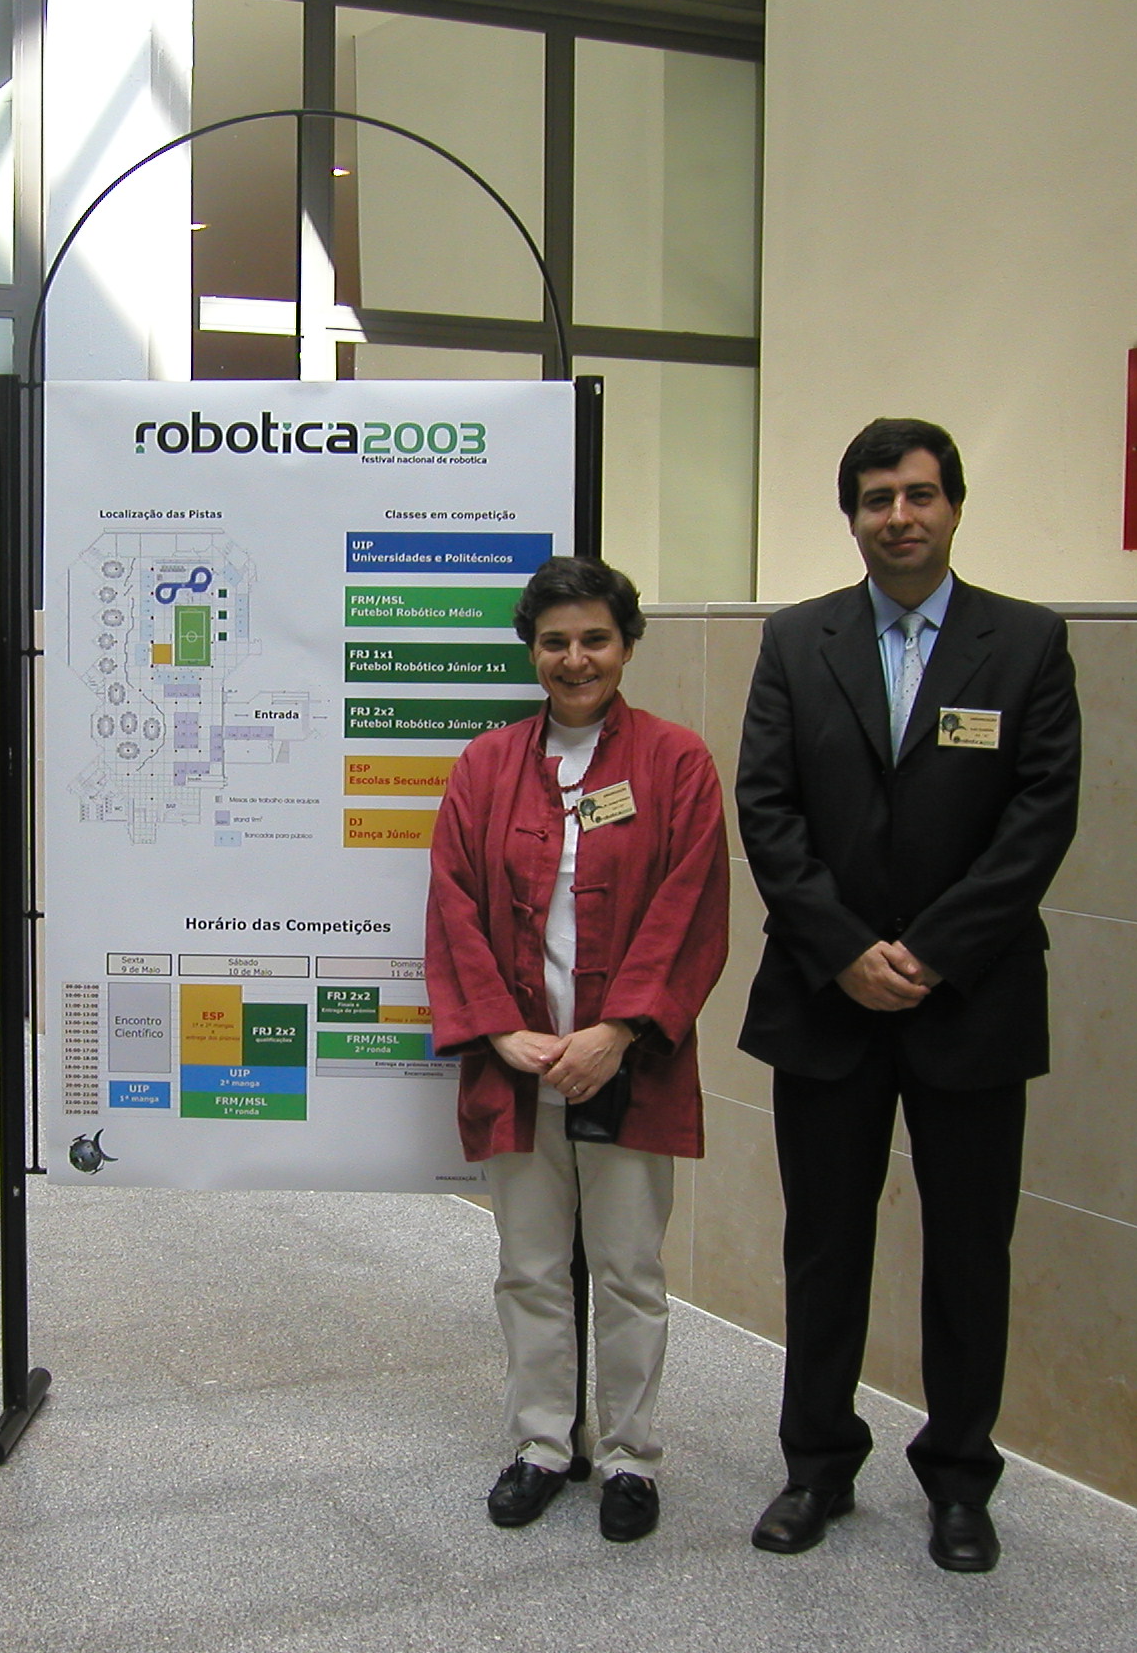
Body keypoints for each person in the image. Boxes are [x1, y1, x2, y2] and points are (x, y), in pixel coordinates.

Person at [734, 417, 1081, 1574]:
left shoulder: (1025, 643)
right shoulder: (797, 641)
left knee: (970, 1254)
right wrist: (843, 950)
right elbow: (767, 808)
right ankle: (816, 1468)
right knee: (823, 1249)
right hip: (824, 999)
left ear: (953, 506)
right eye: (876, 497)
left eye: (919, 494)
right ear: (851, 517)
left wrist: (928, 952)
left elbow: (1040, 817)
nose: (899, 516)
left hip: (971, 1000)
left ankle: (959, 1481)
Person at [425, 556, 729, 1542]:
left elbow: (690, 906)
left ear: (627, 645)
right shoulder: (484, 766)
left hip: (630, 1065)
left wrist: (620, 1030)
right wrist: (499, 1030)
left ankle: (632, 1456)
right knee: (528, 1267)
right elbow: (452, 903)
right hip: (517, 1067)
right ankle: (542, 1445)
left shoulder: (676, 763)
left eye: (595, 638)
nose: (575, 658)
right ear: (532, 652)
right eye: (554, 641)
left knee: (629, 1270)